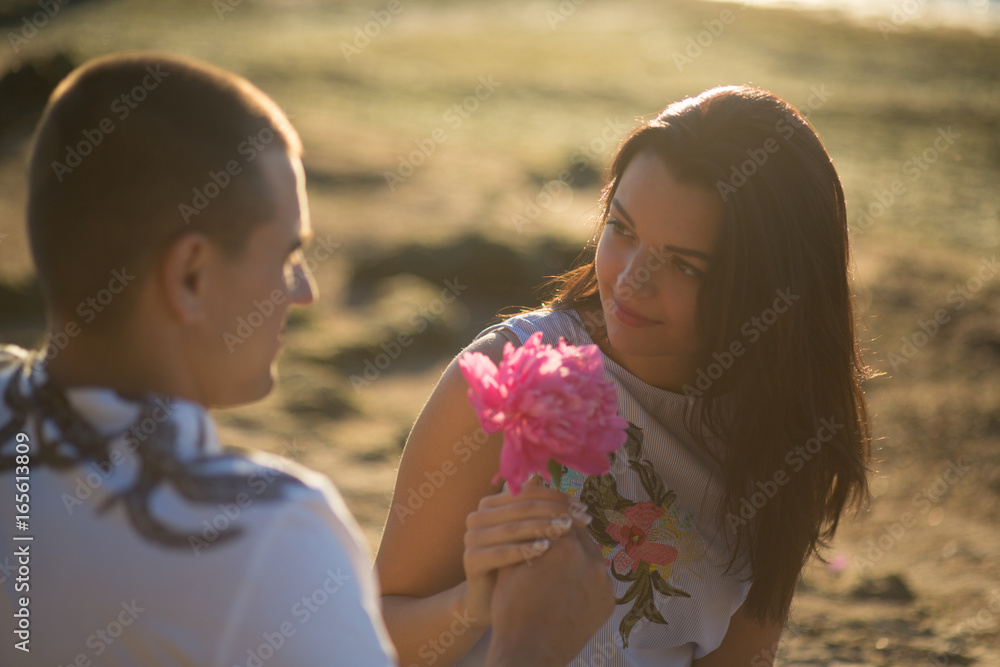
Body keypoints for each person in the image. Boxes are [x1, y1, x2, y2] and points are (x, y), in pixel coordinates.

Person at [0, 52, 613, 666]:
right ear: (190, 276)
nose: (304, 292)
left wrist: (473, 608)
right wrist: (530, 644)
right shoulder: (266, 537)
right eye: (288, 255)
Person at [375, 85, 874, 666]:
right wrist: (477, 603)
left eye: (685, 265)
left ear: (771, 293)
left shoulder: (786, 432)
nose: (632, 280)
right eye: (623, 230)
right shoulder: (507, 381)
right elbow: (376, 636)